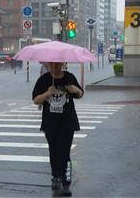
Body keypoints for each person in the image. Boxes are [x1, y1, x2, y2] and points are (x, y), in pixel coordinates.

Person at [32, 62, 84, 197]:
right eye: (52, 64)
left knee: (64, 152)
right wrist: (47, 93)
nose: (55, 66)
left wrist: (74, 90)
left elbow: (80, 93)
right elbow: (36, 100)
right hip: (50, 123)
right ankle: (55, 177)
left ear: (63, 63)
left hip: (67, 123)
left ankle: (66, 183)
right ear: (48, 64)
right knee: (54, 151)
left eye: (58, 64)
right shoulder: (43, 80)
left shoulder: (69, 77)